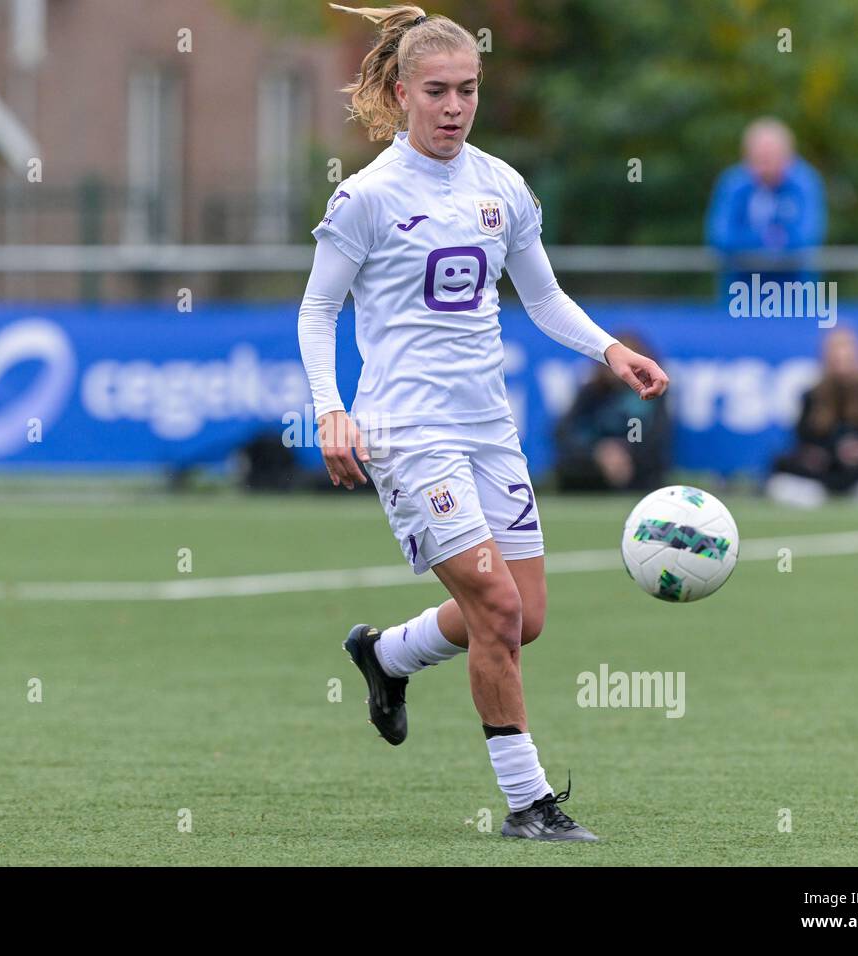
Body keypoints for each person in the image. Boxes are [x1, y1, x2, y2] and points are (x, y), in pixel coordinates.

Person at [297, 4, 668, 842]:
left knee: (523, 618)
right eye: (437, 91)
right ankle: (528, 802)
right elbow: (317, 311)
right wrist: (331, 410)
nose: (456, 106)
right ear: (402, 91)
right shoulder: (367, 197)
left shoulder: (501, 186)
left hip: (487, 430)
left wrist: (609, 350)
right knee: (496, 605)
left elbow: (541, 297)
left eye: (468, 89)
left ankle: (386, 656)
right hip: (405, 431)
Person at [766, 328, 858, 507]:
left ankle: (856, 492)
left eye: (846, 360)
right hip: (821, 471)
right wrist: (813, 454)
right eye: (836, 360)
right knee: (781, 465)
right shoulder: (812, 395)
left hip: (857, 472)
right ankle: (814, 493)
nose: (841, 367)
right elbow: (800, 441)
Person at [705, 117, 826, 295]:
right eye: (759, 157)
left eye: (771, 155)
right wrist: (769, 239)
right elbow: (721, 238)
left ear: (788, 155)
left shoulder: (805, 183)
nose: (765, 164)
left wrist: (749, 244)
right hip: (740, 294)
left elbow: (805, 239)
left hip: (795, 295)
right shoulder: (734, 183)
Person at [555, 332, 672, 492]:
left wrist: (625, 451)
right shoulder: (591, 393)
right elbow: (565, 431)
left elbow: (654, 436)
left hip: (636, 466)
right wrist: (598, 451)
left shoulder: (648, 394)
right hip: (592, 465)